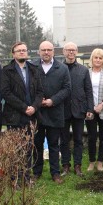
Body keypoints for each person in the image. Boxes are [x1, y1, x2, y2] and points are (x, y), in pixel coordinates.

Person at [0, 41, 43, 177]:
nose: (22, 52)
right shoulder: (7, 70)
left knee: (29, 147)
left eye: (24, 50)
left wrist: (34, 107)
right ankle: (15, 177)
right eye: (19, 51)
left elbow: (40, 91)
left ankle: (26, 176)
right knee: (16, 148)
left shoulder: (34, 69)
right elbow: (6, 93)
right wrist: (24, 107)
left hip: (32, 115)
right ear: (13, 54)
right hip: (15, 115)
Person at [30, 41, 71, 184]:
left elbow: (67, 88)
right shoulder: (32, 66)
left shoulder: (62, 68)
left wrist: (52, 100)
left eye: (49, 50)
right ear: (39, 52)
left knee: (54, 144)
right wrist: (38, 101)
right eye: (43, 50)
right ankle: (36, 172)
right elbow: (28, 87)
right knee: (37, 144)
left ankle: (55, 173)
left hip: (55, 111)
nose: (46, 52)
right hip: (38, 112)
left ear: (53, 51)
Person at [59, 42, 94, 177]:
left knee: (78, 139)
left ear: (77, 52)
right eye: (68, 50)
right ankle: (66, 165)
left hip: (79, 109)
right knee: (64, 139)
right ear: (64, 51)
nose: (71, 52)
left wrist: (89, 108)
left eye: (73, 50)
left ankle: (78, 166)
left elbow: (88, 90)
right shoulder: (58, 68)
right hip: (62, 109)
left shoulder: (83, 70)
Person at [86, 48, 103, 172]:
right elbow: (84, 91)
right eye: (95, 57)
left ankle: (100, 162)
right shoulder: (87, 72)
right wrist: (90, 106)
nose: (98, 60)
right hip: (90, 110)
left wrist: (102, 104)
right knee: (91, 137)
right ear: (92, 59)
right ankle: (92, 161)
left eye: (100, 58)